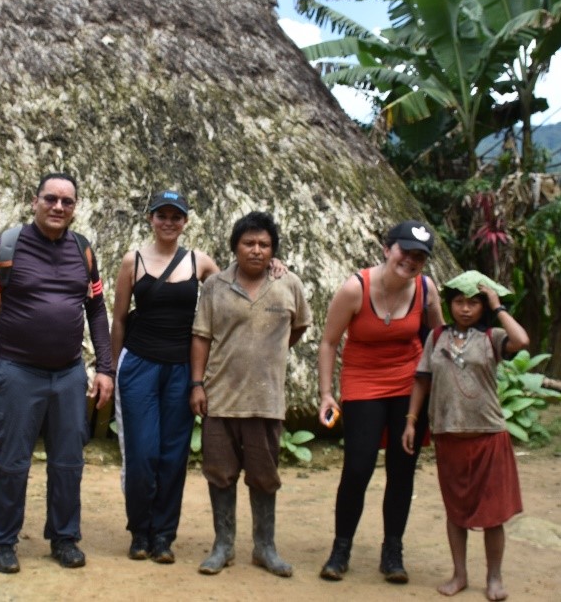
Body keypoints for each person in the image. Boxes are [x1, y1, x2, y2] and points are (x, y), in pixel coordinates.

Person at [0, 172, 115, 574]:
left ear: (74, 207)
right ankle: (2, 540)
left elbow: (96, 311)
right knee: (10, 461)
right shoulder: (7, 247)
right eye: (51, 199)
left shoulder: (83, 251)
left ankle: (64, 538)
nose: (58, 207)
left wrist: (105, 367)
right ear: (35, 201)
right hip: (16, 372)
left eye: (67, 201)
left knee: (68, 463)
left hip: (67, 376)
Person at [316, 220, 444, 583]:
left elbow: (438, 339)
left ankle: (393, 552)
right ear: (388, 249)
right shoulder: (355, 289)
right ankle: (341, 549)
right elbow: (329, 343)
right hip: (363, 381)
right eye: (405, 251)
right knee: (358, 467)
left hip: (409, 382)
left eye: (419, 255)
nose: (410, 260)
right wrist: (326, 394)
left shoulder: (425, 289)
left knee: (402, 469)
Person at [189, 211, 311, 578]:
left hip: (266, 401)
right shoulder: (214, 286)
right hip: (221, 398)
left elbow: (299, 327)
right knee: (219, 474)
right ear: (235, 247)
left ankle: (264, 547)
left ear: (273, 250)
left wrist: (267, 356)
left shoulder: (288, 283)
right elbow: (201, 337)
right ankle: (223, 546)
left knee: (264, 476)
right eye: (249, 243)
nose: (256, 250)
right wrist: (197, 384)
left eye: (264, 244)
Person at [401, 277, 528, 602]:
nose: (465, 308)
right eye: (459, 302)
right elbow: (421, 381)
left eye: (473, 302)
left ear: (482, 306)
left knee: (493, 514)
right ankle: (459, 574)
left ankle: (494, 577)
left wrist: (498, 306)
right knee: (455, 511)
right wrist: (411, 421)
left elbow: (522, 341)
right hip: (449, 436)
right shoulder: (436, 337)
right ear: (450, 304)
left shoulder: (491, 337)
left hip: (488, 436)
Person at [109, 190, 219, 564]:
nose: (169, 222)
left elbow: (233, 291)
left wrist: (273, 267)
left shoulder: (199, 262)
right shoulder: (132, 261)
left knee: (173, 455)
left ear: (185, 221)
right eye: (162, 215)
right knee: (142, 453)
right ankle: (139, 530)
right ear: (151, 219)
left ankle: (163, 536)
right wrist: (111, 368)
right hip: (139, 365)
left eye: (176, 216)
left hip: (181, 369)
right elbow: (120, 318)